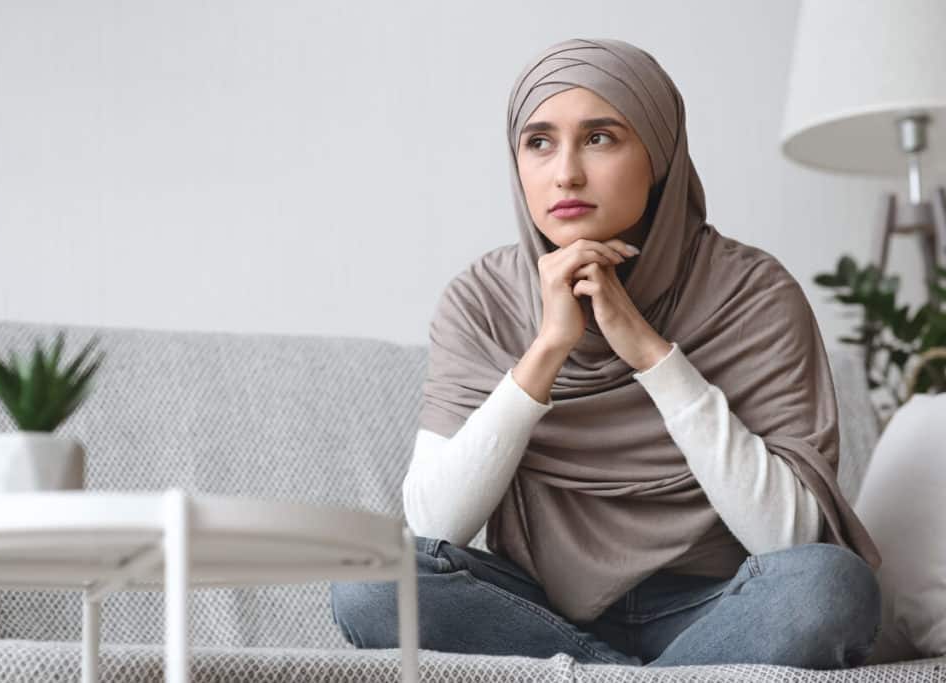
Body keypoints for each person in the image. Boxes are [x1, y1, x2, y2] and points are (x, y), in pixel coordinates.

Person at [330, 37, 882, 669]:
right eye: (539, 142)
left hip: (717, 607)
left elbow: (785, 539)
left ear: (660, 155)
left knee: (829, 587)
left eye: (600, 138)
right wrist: (547, 349)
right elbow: (434, 526)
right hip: (536, 612)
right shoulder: (483, 299)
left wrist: (652, 354)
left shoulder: (752, 294)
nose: (565, 172)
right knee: (370, 579)